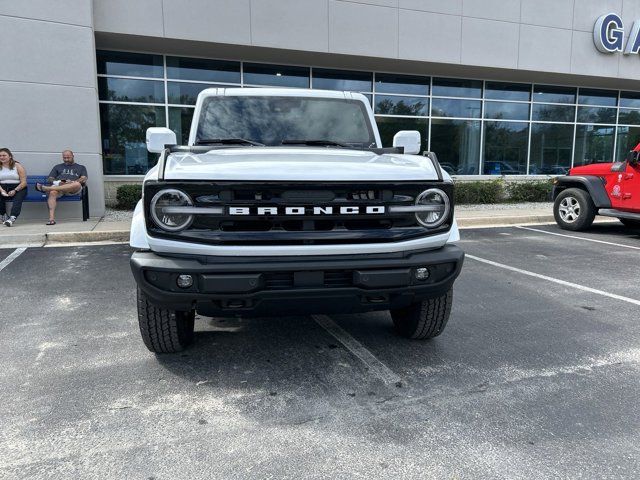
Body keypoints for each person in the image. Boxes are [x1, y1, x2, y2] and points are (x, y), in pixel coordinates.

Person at [36, 150, 88, 225]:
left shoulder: (81, 167)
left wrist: (72, 182)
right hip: (59, 186)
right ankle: (51, 219)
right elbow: (50, 178)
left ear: (73, 156)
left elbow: (84, 178)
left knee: (77, 184)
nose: (66, 159)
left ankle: (47, 188)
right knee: (53, 193)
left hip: (72, 188)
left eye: (68, 157)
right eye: (64, 158)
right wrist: (58, 182)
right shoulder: (57, 167)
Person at [0, 147, 28, 227]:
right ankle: (3, 214)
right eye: (0, 156)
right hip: (3, 187)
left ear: (10, 156)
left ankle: (12, 218)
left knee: (18, 199)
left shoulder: (17, 166)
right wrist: (2, 191)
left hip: (18, 187)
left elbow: (24, 182)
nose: (1, 157)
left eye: (4, 155)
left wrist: (15, 190)